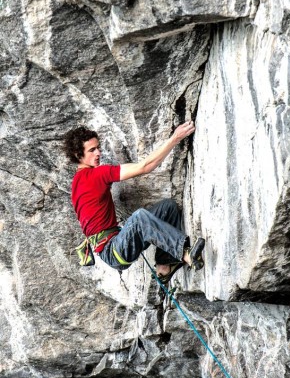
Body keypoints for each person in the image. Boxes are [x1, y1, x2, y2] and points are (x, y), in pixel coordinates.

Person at [63, 121, 205, 284]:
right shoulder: (96, 174)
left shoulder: (77, 181)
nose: (98, 153)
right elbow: (145, 166)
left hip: (117, 243)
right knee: (139, 218)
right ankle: (187, 255)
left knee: (168, 208)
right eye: (92, 150)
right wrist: (175, 138)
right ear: (77, 155)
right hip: (113, 251)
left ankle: (164, 267)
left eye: (98, 147)